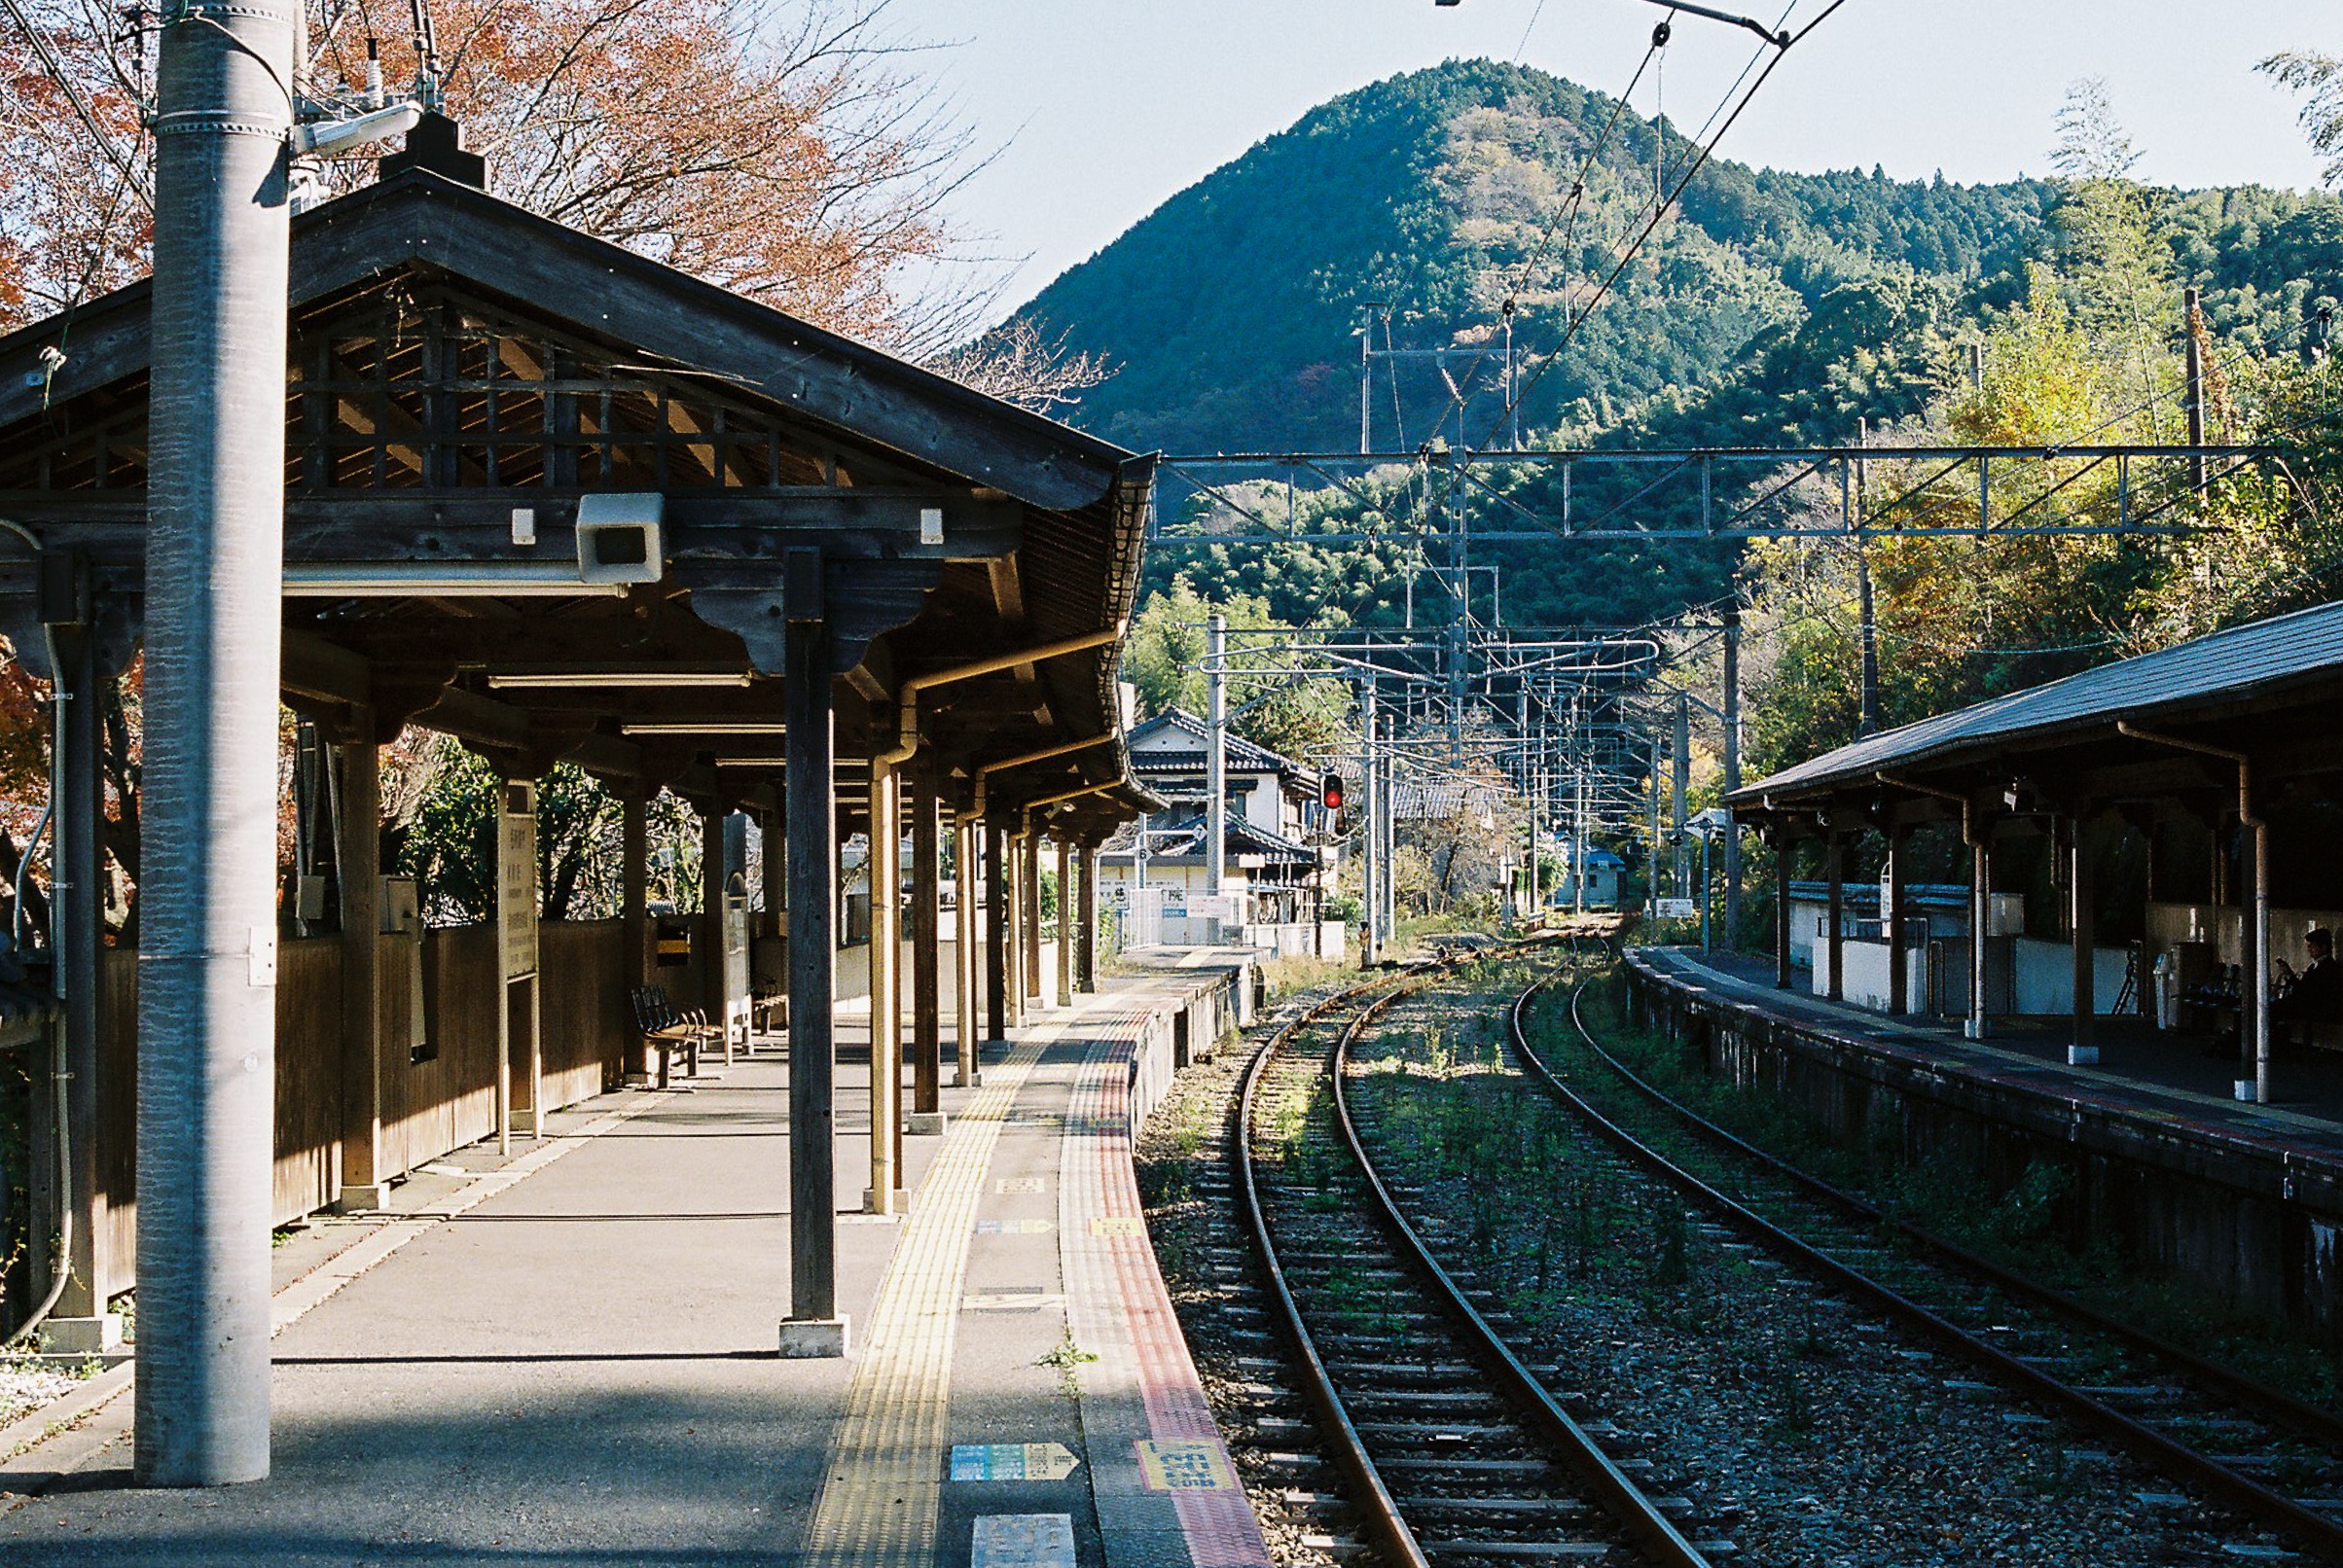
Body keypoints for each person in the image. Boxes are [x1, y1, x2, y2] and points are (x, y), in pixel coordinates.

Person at [2274, 929, 2343, 1027]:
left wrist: (2291, 976)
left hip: (2315, 1010)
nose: (2309, 950)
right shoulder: (2314, 966)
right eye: (2308, 946)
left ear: (2323, 947)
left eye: (2312, 946)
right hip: (2309, 1006)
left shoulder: (2329, 968)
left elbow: (2307, 992)